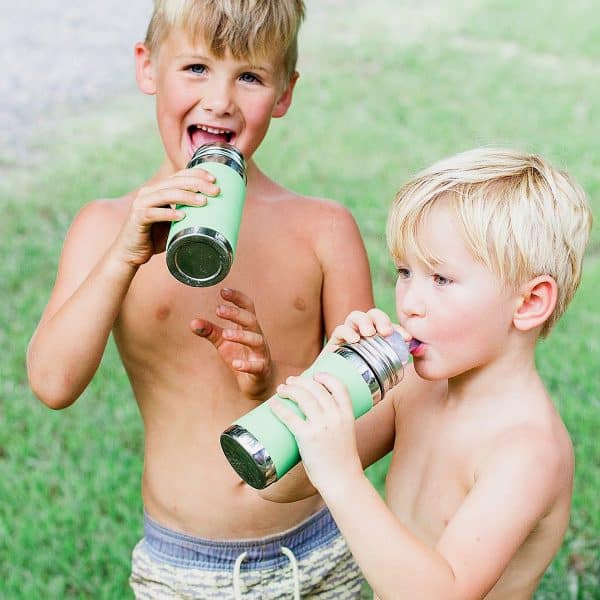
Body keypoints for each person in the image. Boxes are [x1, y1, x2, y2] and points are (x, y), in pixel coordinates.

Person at [26, 1, 375, 597]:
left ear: (285, 92)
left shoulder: (323, 229)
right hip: (184, 567)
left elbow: (375, 404)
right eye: (196, 68)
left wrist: (272, 393)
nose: (220, 99)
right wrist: (123, 256)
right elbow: (54, 383)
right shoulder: (105, 226)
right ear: (147, 68)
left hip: (318, 551)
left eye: (250, 76)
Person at [269, 147, 593, 599]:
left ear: (529, 302)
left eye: (440, 279)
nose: (410, 302)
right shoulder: (414, 388)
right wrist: (328, 379)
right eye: (405, 272)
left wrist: (342, 475)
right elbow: (277, 485)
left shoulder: (526, 450)